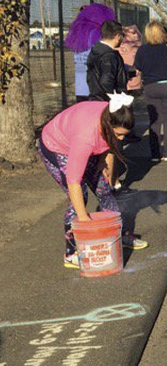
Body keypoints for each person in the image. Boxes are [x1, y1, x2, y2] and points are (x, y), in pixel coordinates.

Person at [38, 93, 149, 268]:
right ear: (108, 126)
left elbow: (110, 147)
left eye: (124, 135)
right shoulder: (85, 138)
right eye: (119, 135)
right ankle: (71, 253)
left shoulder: (114, 114)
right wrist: (84, 220)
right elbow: (73, 180)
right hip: (57, 146)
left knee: (104, 189)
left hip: (82, 141)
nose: (121, 139)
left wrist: (102, 162)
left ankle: (118, 234)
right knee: (79, 197)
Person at [133, 20, 167, 161]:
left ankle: (155, 154)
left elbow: (138, 68)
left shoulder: (142, 50)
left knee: (154, 121)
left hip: (150, 87)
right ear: (161, 33)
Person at [86, 20, 127, 101]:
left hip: (95, 98)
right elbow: (106, 80)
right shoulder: (109, 55)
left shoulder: (95, 51)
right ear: (117, 36)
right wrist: (116, 98)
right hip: (109, 103)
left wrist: (129, 74)